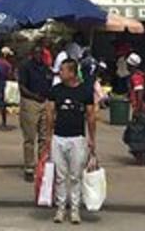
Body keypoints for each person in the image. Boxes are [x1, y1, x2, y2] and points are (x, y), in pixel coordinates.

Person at [46, 59, 97, 224]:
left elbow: (90, 116)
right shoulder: (55, 90)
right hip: (58, 137)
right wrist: (48, 136)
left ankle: (75, 210)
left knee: (75, 176)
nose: (60, 73)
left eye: (63, 70)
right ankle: (60, 208)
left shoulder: (85, 91)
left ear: (72, 73)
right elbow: (50, 113)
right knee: (60, 176)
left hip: (78, 138)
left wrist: (92, 139)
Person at [18, 45, 52, 182]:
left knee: (44, 137)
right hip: (30, 102)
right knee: (30, 137)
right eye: (36, 53)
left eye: (41, 53)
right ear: (32, 53)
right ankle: (29, 167)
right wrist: (34, 96)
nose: (39, 55)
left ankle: (41, 165)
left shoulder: (44, 67)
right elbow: (22, 87)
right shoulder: (26, 67)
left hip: (44, 101)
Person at [126, 53, 145, 165]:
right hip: (140, 109)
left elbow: (139, 94)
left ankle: (141, 162)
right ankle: (140, 160)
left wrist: (137, 110)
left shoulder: (137, 77)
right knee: (134, 135)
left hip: (141, 110)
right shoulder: (138, 75)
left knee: (138, 137)